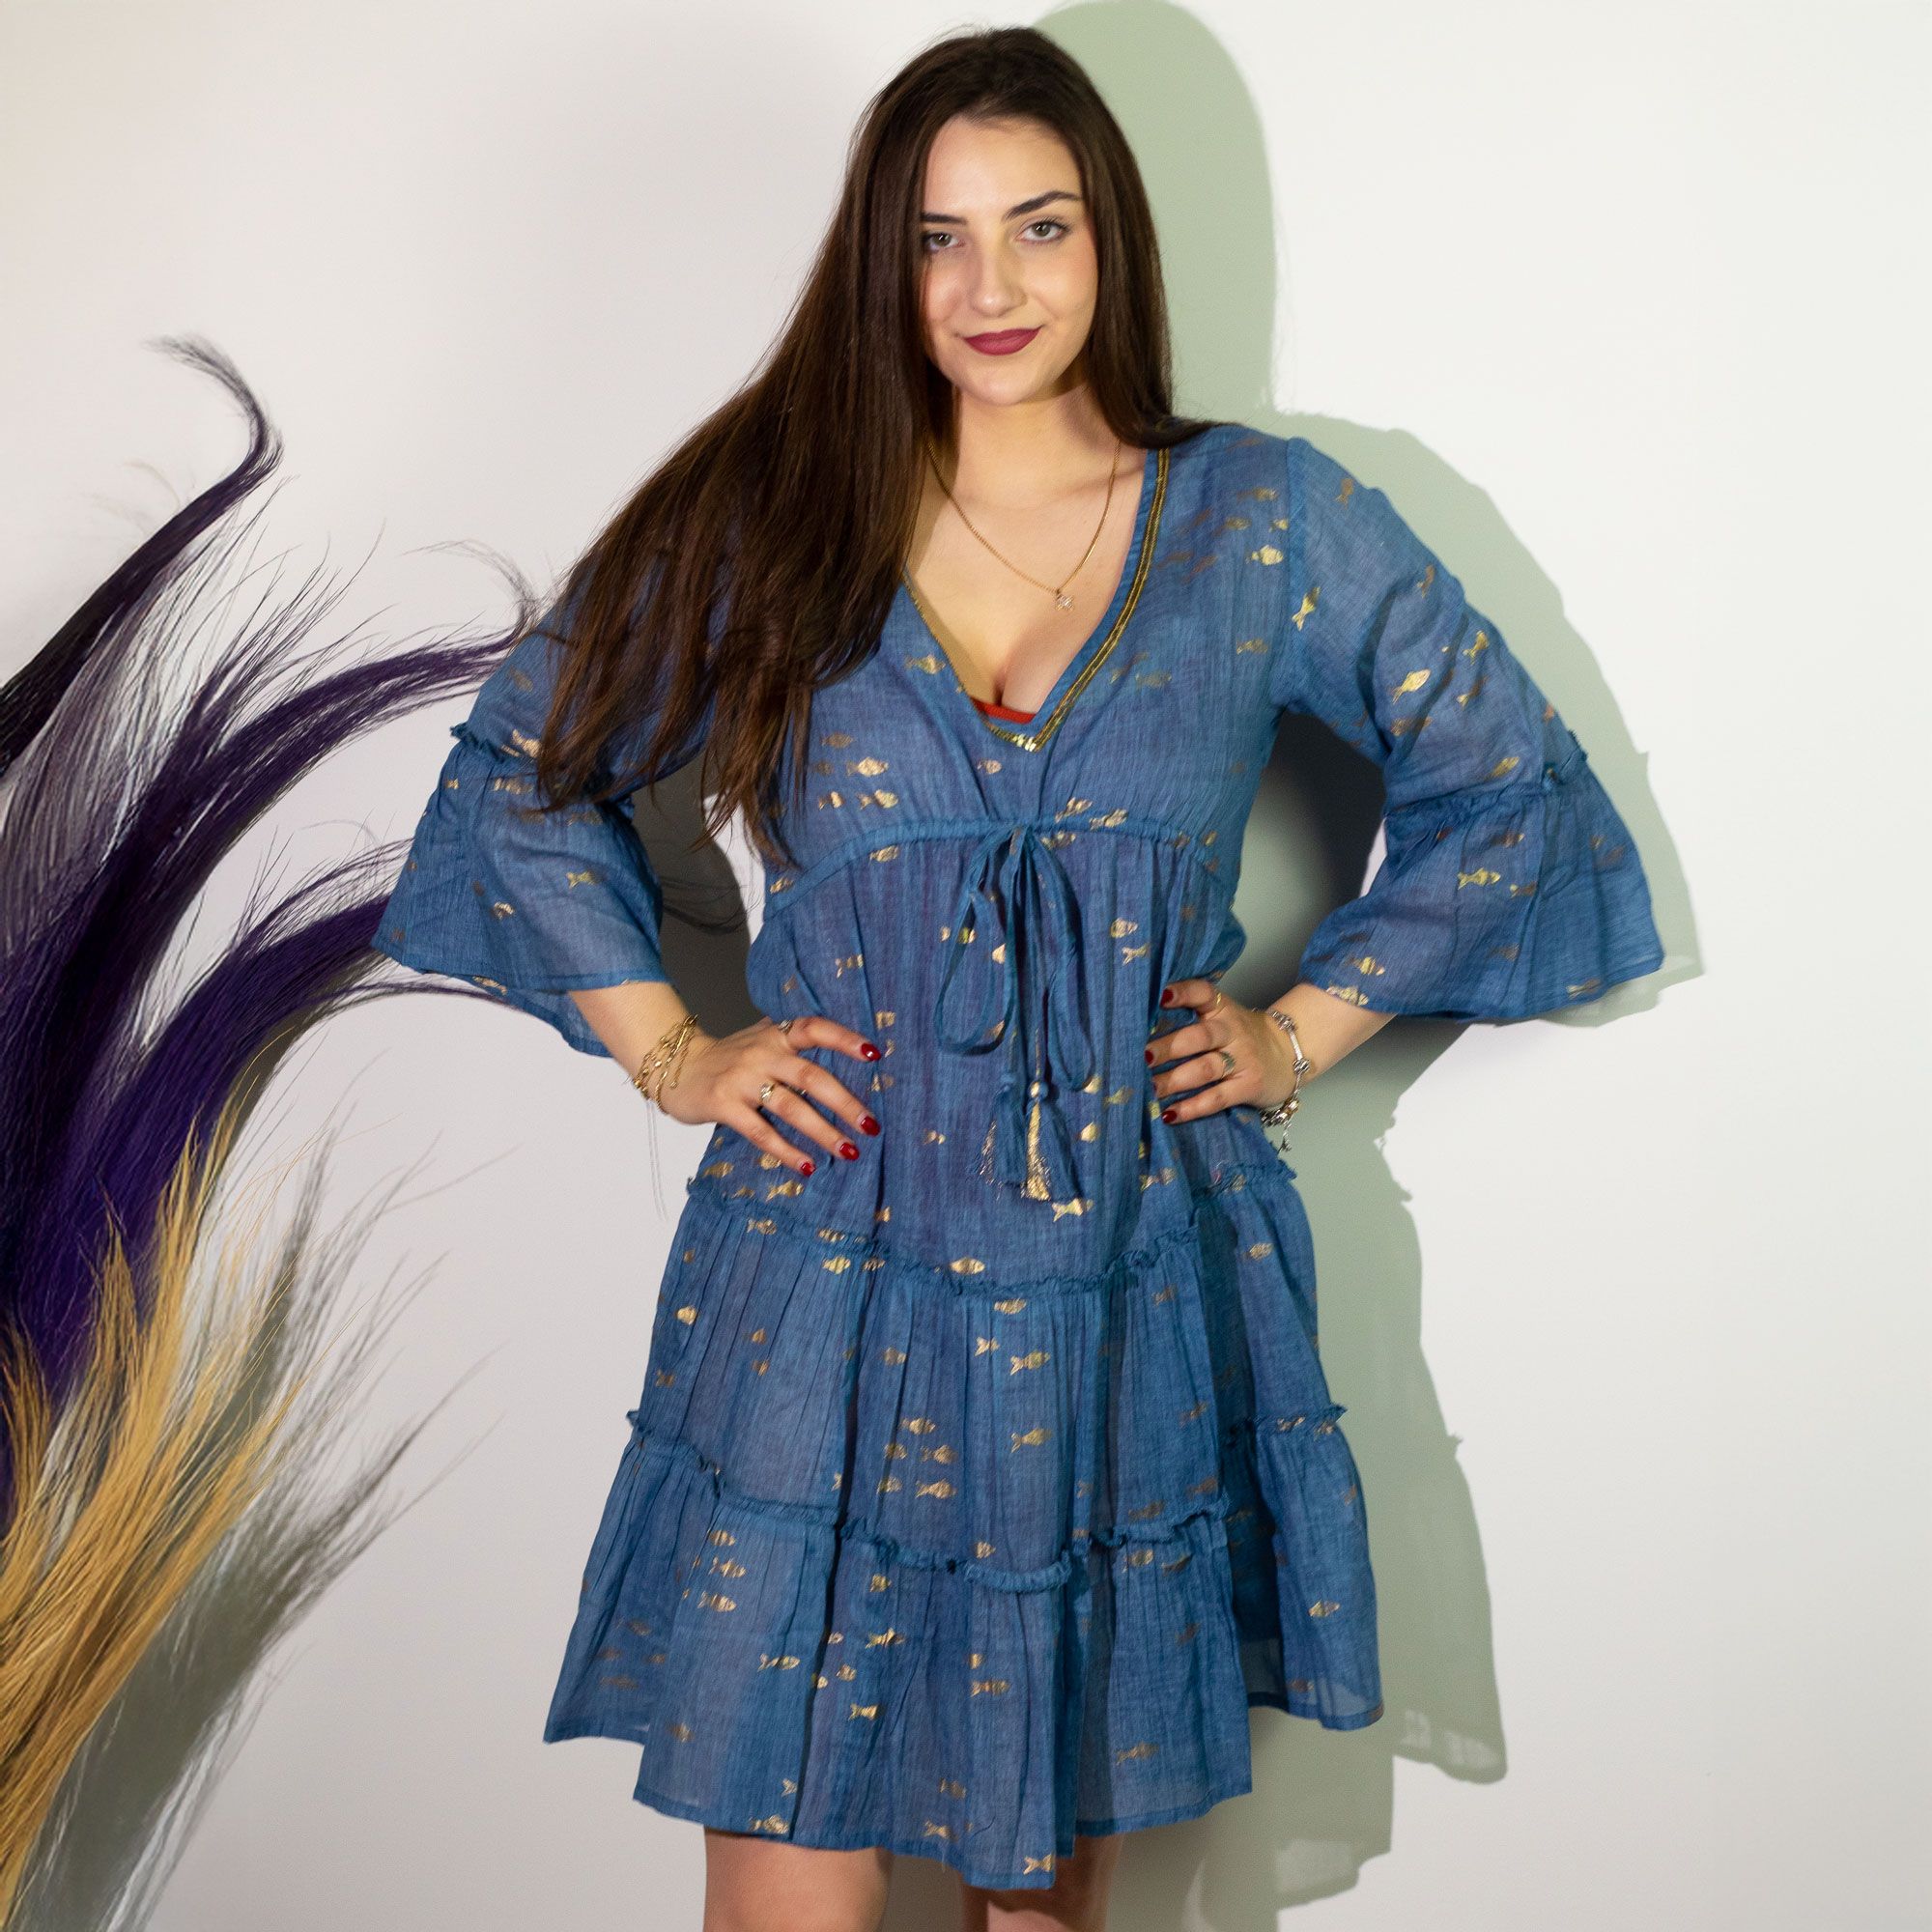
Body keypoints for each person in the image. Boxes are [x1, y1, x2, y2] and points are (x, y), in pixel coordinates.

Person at [371, 26, 1663, 1932]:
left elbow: (1512, 788)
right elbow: (520, 774)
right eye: (938, 238)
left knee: (1045, 1903)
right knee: (784, 1887)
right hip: (827, 1274)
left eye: (1038, 227)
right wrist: (673, 1054)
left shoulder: (1267, 523)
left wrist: (1298, 1031)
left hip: (1129, 1280)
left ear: (1107, 241)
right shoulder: (772, 514)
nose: (991, 285)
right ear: (880, 263)